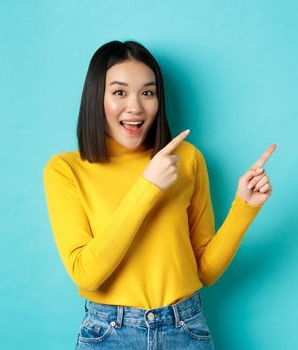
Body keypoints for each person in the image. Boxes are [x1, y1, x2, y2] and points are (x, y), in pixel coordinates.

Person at [42, 40, 276, 349]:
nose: (135, 107)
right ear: (96, 96)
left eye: (148, 93)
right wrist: (147, 186)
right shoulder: (66, 169)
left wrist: (245, 207)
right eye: (119, 92)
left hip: (185, 327)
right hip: (110, 333)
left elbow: (204, 271)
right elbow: (86, 275)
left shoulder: (188, 159)